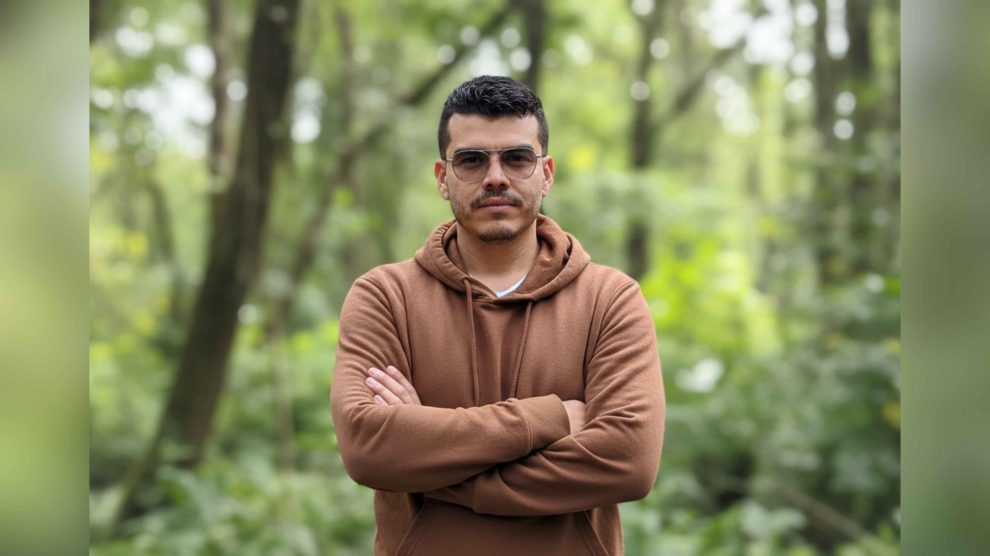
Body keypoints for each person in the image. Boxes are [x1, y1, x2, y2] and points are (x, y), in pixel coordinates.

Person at [330, 75, 664, 555]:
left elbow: (628, 463)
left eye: (517, 158)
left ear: (546, 173)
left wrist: (427, 457)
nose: (495, 177)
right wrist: (549, 418)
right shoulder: (385, 296)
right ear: (442, 177)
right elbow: (367, 449)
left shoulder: (609, 299)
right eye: (471, 160)